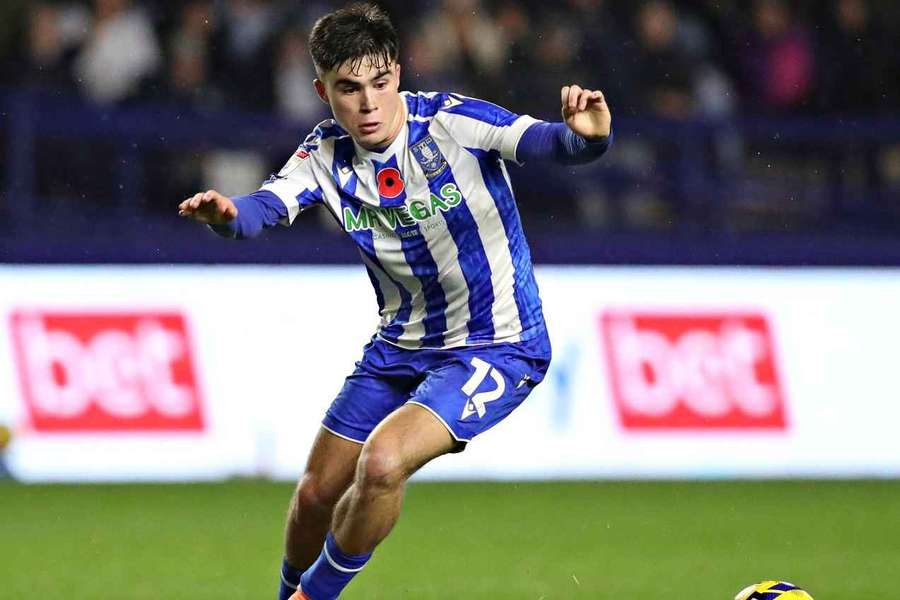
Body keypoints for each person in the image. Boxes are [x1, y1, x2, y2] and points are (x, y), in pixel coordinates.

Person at [177, 3, 612, 599]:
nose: (368, 104)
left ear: (398, 75)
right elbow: (262, 209)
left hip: (497, 345)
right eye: (348, 89)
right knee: (315, 495)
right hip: (399, 346)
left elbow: (551, 143)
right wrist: (227, 215)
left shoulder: (454, 123)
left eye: (380, 84)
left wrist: (589, 137)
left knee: (382, 463)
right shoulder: (324, 155)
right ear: (322, 91)